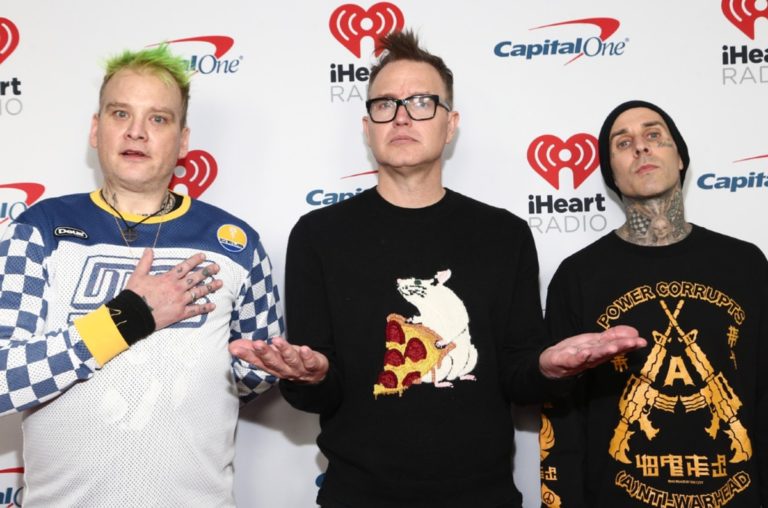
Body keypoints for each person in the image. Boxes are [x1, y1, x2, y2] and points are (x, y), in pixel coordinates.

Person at [228, 31, 644, 508]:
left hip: (482, 497)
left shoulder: (504, 235)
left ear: (451, 125)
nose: (402, 116)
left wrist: (548, 367)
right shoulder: (317, 236)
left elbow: (518, 374)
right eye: (385, 104)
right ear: (367, 127)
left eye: (422, 102)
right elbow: (315, 394)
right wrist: (310, 376)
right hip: (357, 497)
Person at [0, 45, 283, 506]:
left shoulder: (236, 243)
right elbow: (4, 379)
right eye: (120, 114)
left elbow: (251, 375)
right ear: (96, 130)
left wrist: (279, 368)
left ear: (183, 141)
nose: (136, 131)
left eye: (158, 118)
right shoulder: (39, 229)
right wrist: (126, 319)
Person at [539, 100, 767, 507]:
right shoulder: (578, 276)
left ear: (679, 158)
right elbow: (563, 419)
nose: (641, 147)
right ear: (611, 173)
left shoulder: (745, 264)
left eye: (653, 135)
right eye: (623, 143)